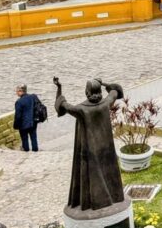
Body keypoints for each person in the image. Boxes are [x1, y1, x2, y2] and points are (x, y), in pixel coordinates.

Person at [54, 76, 125, 211]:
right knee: (109, 172)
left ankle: (94, 202)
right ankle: (114, 197)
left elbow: (61, 104)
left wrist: (59, 88)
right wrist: (102, 82)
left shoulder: (81, 109)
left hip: (90, 151)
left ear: (86, 93)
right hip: (106, 149)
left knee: (92, 174)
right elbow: (116, 89)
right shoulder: (106, 103)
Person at [13, 85, 40, 152]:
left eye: (17, 91)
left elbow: (18, 116)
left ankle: (26, 151)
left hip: (23, 124)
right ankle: (35, 150)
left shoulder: (19, 102)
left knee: (24, 138)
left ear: (21, 91)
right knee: (33, 137)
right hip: (33, 122)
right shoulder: (32, 97)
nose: (16, 92)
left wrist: (16, 125)